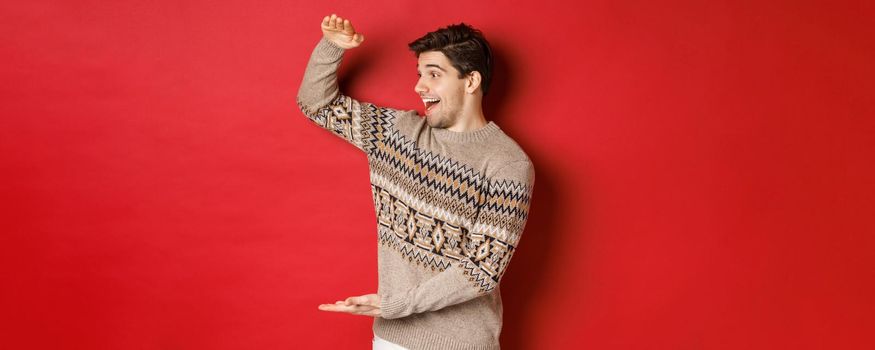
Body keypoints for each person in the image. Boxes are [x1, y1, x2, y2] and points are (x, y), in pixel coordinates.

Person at [297, 14, 535, 350]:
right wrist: (332, 48)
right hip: (391, 340)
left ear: (470, 82)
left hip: (461, 344)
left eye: (433, 75)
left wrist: (397, 306)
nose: (419, 87)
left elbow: (481, 270)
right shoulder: (396, 134)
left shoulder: (507, 163)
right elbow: (316, 104)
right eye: (420, 75)